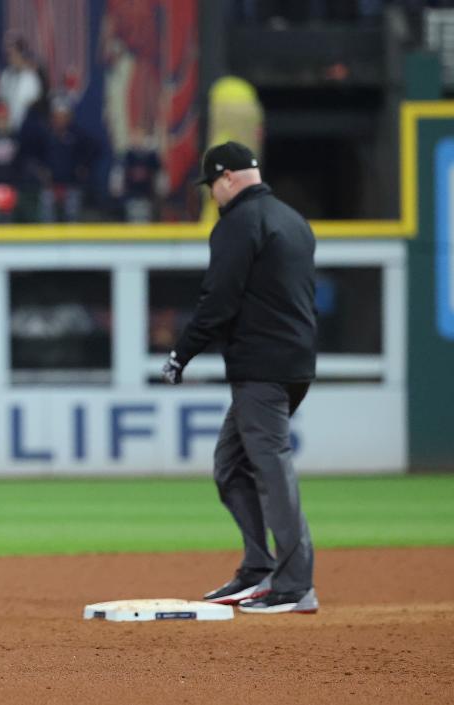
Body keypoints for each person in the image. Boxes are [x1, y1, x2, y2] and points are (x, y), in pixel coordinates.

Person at [161, 141, 318, 615]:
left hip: (261, 367)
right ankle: (257, 569)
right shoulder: (293, 220)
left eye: (212, 185)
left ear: (227, 177)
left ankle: (294, 585)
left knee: (270, 469)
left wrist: (180, 354)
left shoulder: (238, 223)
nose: (212, 194)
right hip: (293, 363)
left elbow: (218, 299)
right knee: (231, 466)